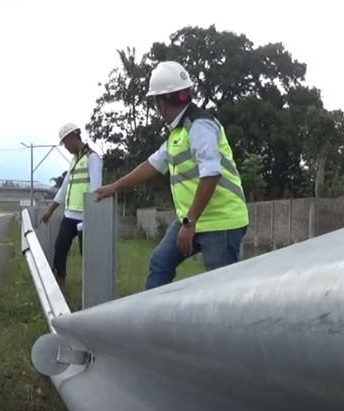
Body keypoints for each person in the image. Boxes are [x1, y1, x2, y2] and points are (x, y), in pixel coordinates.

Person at [94, 61, 249, 290]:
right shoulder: (177, 133)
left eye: (155, 102)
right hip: (192, 218)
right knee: (160, 263)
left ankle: (228, 327)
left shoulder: (199, 126)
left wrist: (189, 222)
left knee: (222, 290)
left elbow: (211, 175)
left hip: (220, 221)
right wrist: (115, 186)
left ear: (162, 102)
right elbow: (152, 165)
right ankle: (152, 321)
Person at [40, 122, 103, 289]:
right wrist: (50, 211)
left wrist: (92, 217)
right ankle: (60, 286)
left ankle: (91, 291)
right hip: (70, 216)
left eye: (65, 143)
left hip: (85, 217)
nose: (65, 147)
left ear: (73, 137)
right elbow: (63, 189)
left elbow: (96, 189)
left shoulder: (92, 158)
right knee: (60, 248)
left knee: (87, 256)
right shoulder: (74, 161)